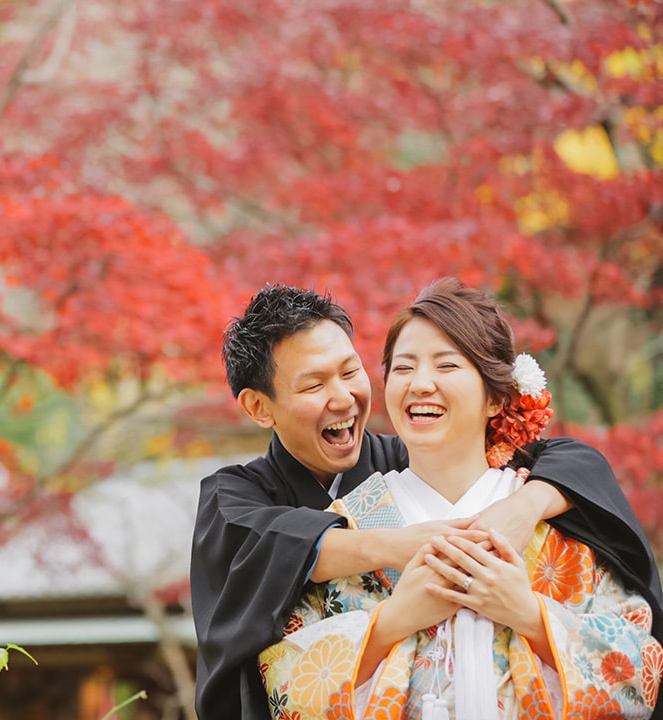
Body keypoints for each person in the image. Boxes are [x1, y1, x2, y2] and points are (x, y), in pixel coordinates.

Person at [191, 284, 663, 720]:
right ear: (258, 406)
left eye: (351, 371)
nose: (345, 398)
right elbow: (286, 683)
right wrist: (394, 611)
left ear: (498, 399)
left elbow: (639, 667)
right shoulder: (264, 503)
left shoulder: (512, 493)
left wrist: (526, 555)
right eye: (314, 385)